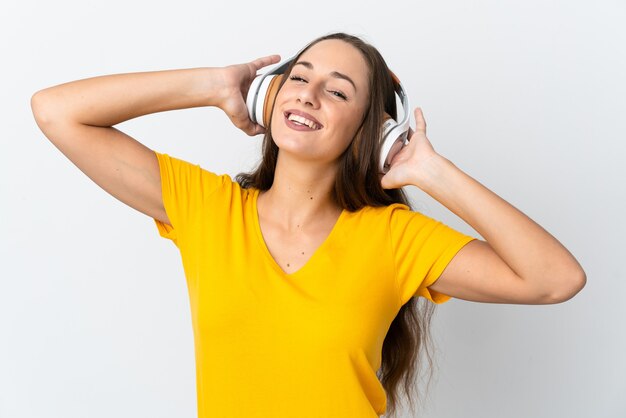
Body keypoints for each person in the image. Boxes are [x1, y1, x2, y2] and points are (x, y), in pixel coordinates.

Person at [31, 32, 586, 418]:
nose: (308, 93)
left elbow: (555, 278)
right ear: (269, 95)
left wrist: (430, 171)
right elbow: (57, 111)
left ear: (372, 133)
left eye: (338, 90)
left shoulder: (393, 239)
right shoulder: (209, 209)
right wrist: (215, 84)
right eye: (298, 77)